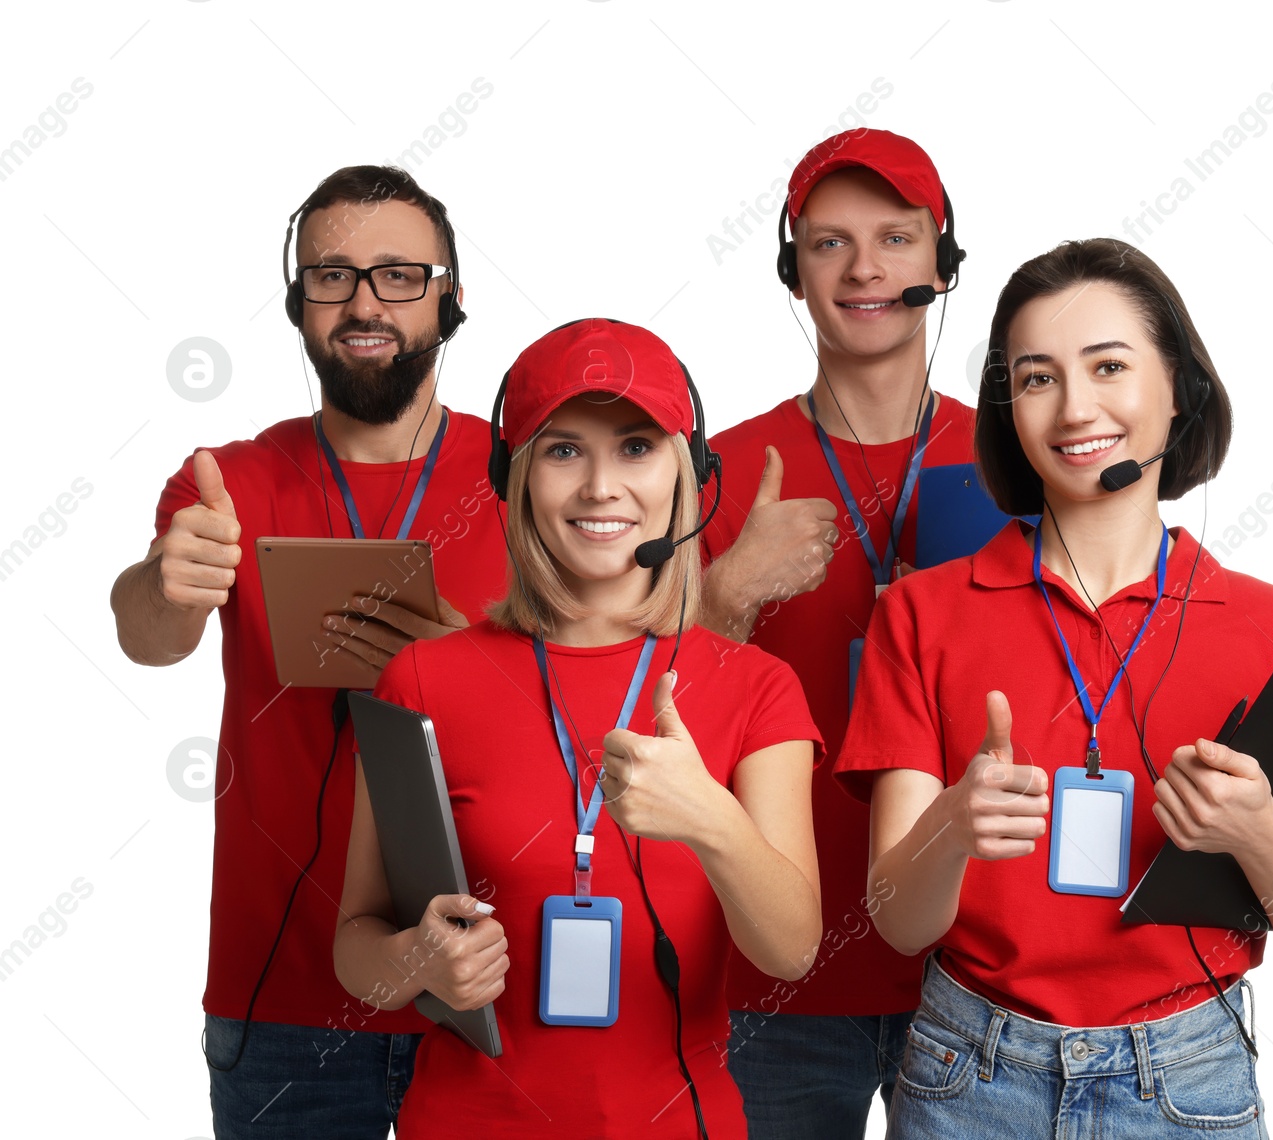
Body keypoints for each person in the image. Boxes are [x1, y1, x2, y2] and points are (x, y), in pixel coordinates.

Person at [835, 238, 1273, 1137]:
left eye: (1110, 366)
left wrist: (1259, 835)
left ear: (1181, 389)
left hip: (1187, 1082)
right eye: (1038, 378)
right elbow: (898, 924)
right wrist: (952, 827)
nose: (1075, 407)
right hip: (968, 1074)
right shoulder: (922, 616)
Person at [334, 318, 824, 1137]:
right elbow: (356, 943)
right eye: (564, 450)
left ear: (687, 472)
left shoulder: (758, 686)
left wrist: (713, 823)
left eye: (636, 447)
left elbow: (794, 951)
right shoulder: (424, 677)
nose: (602, 487)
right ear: (516, 476)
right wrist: (415, 961)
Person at [110, 165, 508, 1137]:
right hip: (276, 1000)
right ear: (299, 303)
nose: (364, 301)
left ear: (448, 296)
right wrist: (166, 581)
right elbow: (147, 637)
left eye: (398, 275)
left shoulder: (530, 476)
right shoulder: (231, 482)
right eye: (332, 275)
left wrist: (473, 667)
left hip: (475, 980)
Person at [698, 128, 977, 1135]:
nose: (864, 268)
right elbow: (623, 709)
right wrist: (727, 592)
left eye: (895, 239)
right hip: (770, 977)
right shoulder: (721, 471)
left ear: (941, 265)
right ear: (793, 270)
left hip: (976, 974)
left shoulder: (1027, 461)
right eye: (829, 244)